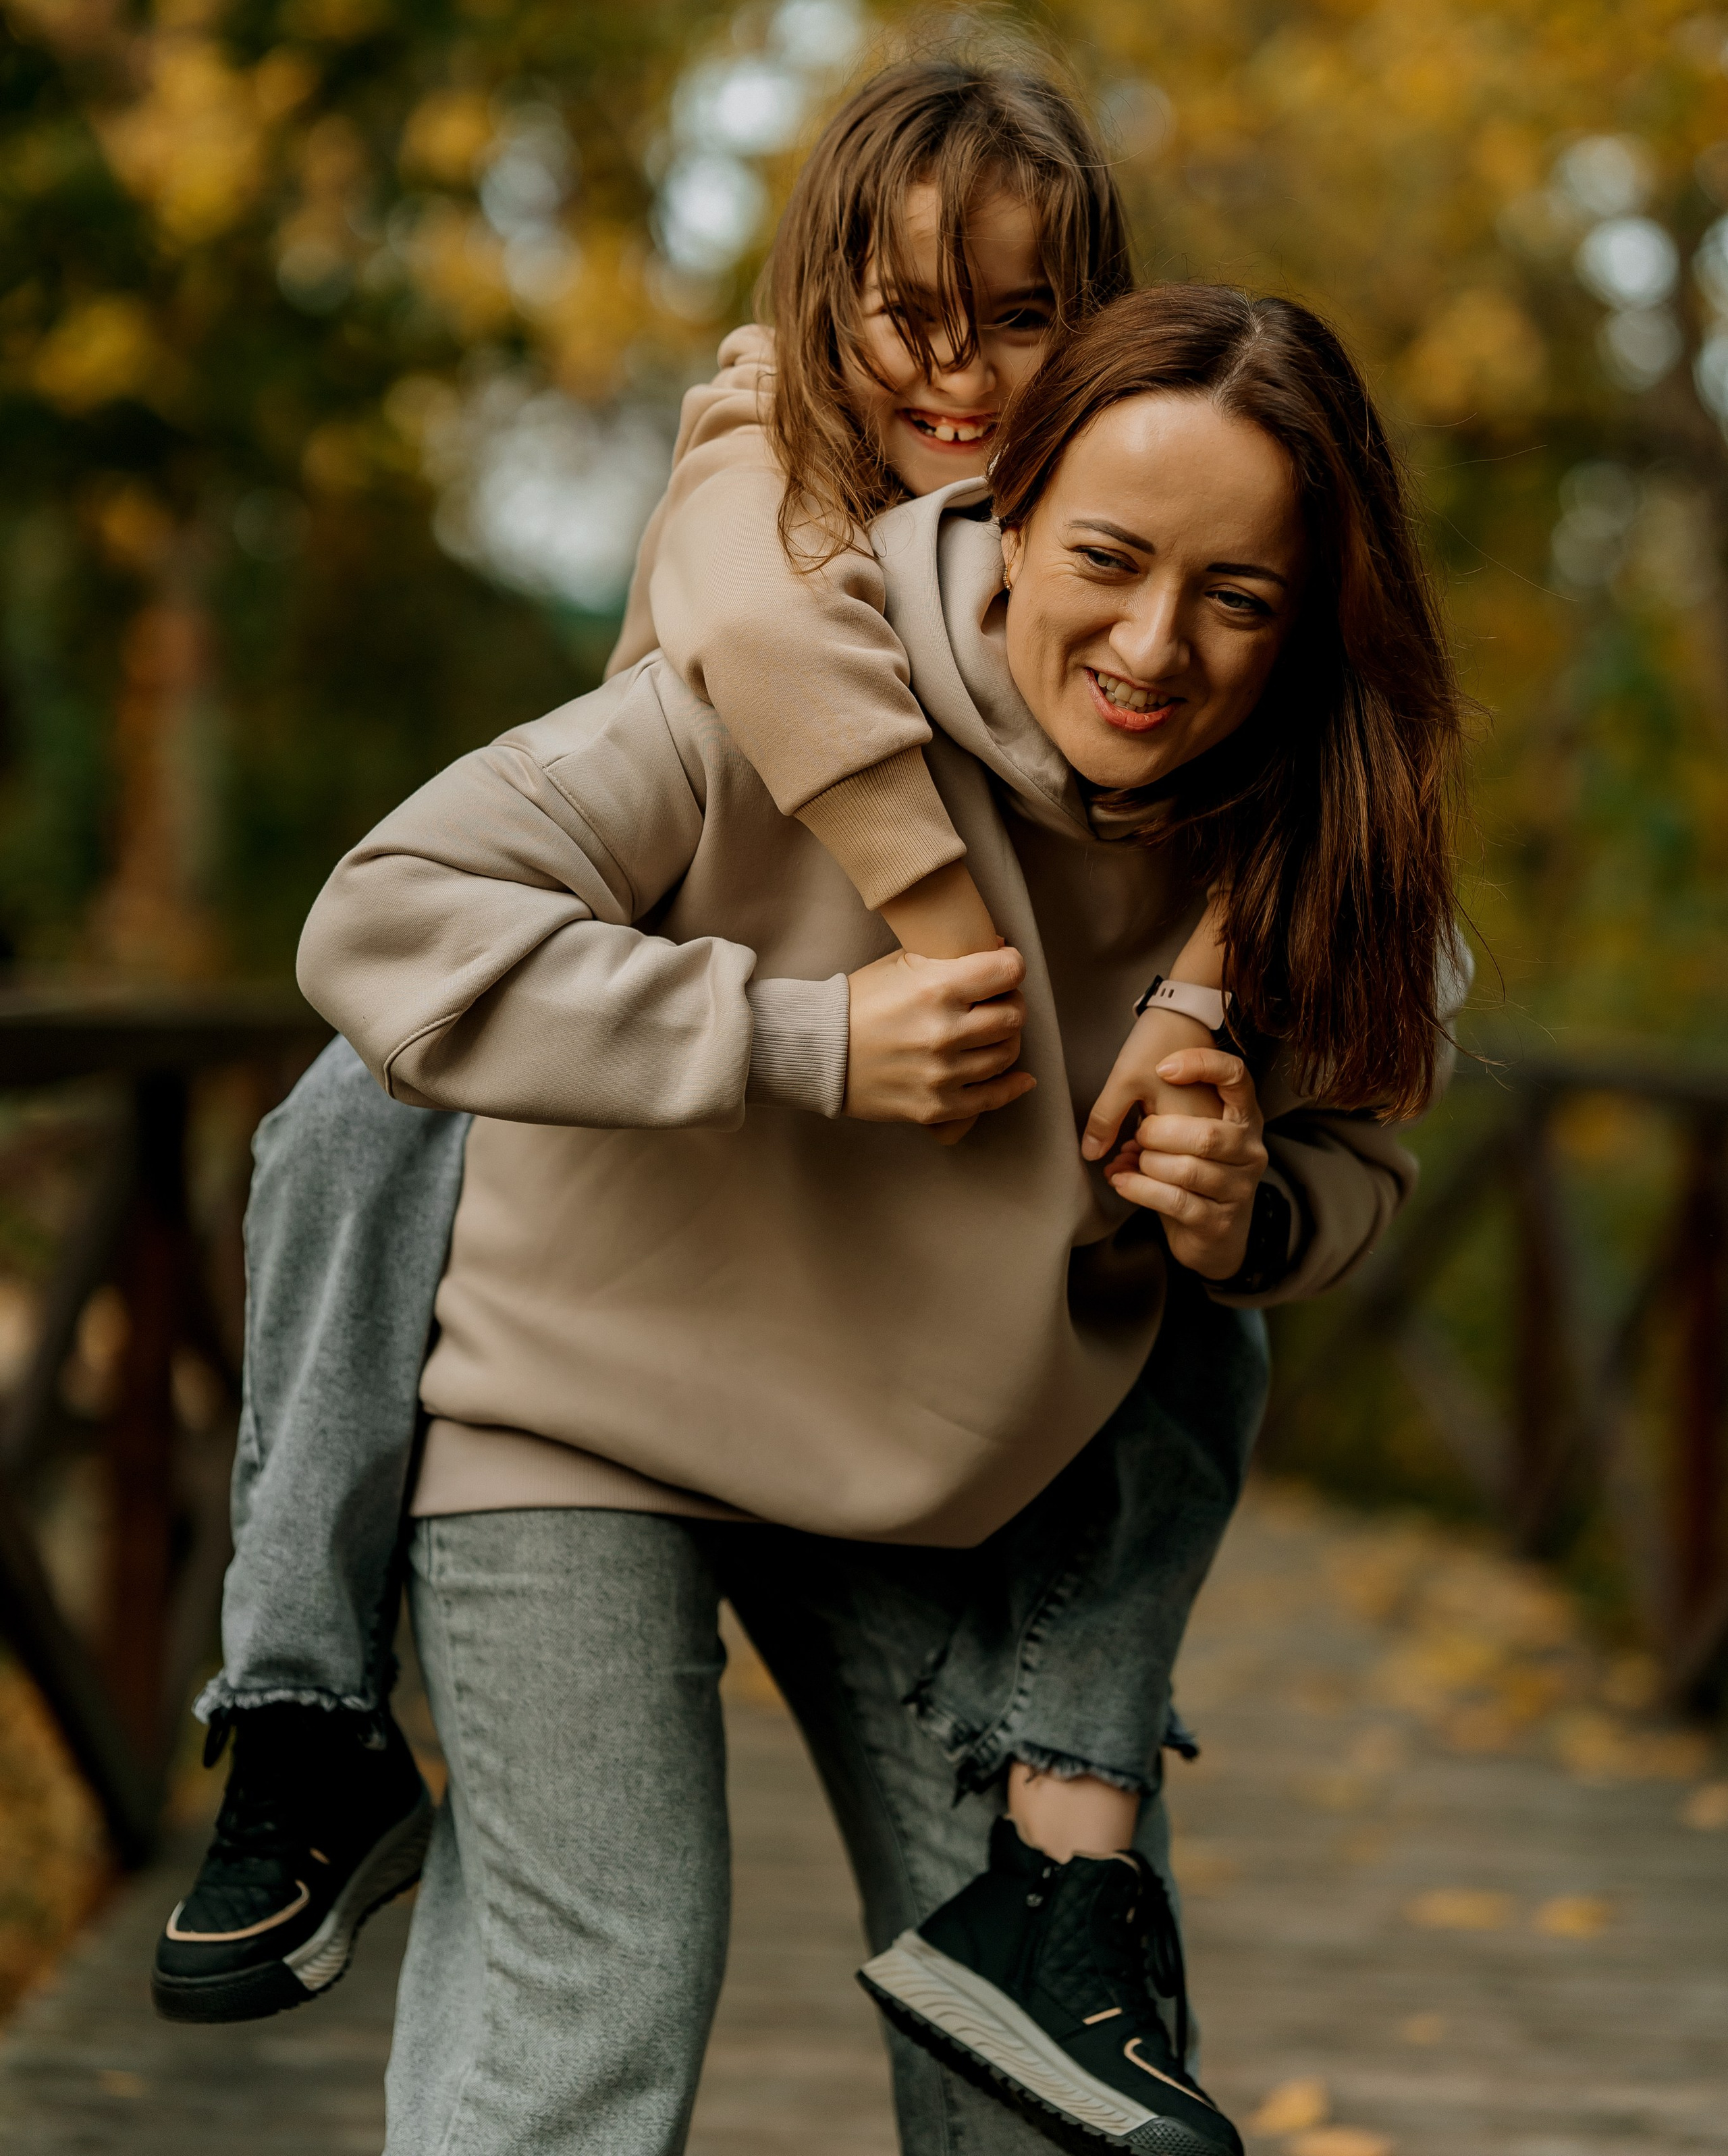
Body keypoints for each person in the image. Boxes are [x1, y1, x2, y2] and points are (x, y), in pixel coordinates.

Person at [281, 282, 1462, 2156]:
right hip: (576, 1407)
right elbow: (380, 920)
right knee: (594, 2007)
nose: (1157, 646)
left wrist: (1253, 1210)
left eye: (1238, 601)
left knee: (1058, 2092)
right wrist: (794, 1035)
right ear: (1006, 504)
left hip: (945, 1482)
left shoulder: (1311, 842)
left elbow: (1364, 1170)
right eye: (1108, 558)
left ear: (1310, 618)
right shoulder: (774, 679)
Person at [154, 55, 1258, 2043]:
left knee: (1202, 1294)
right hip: (636, 1186)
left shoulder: (1141, 581)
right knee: (353, 1123)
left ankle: (1070, 1834)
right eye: (910, 315)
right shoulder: (760, 474)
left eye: (1025, 320)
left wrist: (1198, 1020)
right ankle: (307, 1712)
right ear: (818, 304)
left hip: (899, 1343)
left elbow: (1346, 809)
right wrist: (912, 958)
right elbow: (756, 651)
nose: (967, 371)